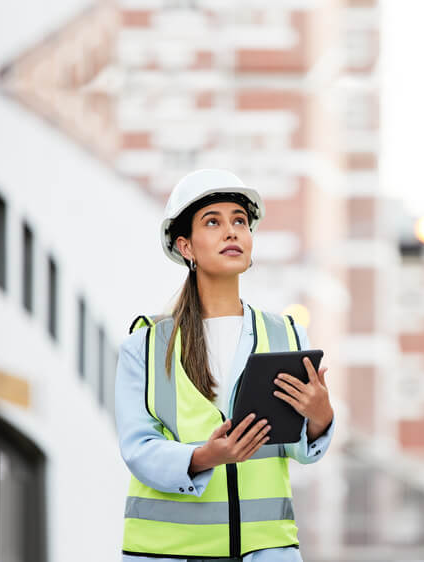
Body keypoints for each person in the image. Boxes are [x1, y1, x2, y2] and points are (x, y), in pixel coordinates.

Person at [115, 169, 335, 561]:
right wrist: (204, 458)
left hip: (265, 553)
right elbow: (138, 449)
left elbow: (299, 450)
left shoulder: (287, 335)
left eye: (239, 221)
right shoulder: (146, 346)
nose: (231, 232)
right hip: (169, 554)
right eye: (212, 222)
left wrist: (320, 417)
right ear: (186, 247)